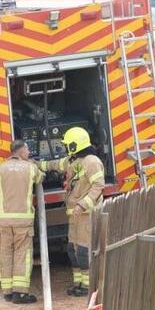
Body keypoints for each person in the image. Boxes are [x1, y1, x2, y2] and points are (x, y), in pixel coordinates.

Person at [39, 127, 105, 297]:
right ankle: (79, 284)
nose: (66, 147)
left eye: (68, 144)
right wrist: (36, 164)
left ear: (76, 145)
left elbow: (98, 186)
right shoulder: (73, 161)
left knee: (83, 250)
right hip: (74, 215)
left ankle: (88, 286)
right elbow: (55, 164)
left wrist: (82, 205)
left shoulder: (92, 161)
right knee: (72, 249)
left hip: (86, 214)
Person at [0, 139, 44, 304]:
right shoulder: (30, 169)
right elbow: (40, 179)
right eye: (27, 150)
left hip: (3, 222)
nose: (29, 152)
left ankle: (7, 291)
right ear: (21, 151)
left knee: (5, 255)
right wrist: (34, 164)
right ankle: (20, 293)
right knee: (22, 255)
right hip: (24, 223)